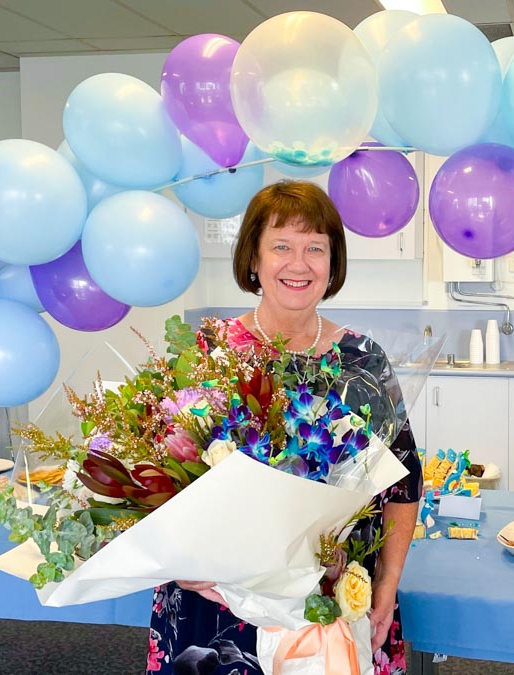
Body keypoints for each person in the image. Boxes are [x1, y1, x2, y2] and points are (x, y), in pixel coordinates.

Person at [148, 181, 421, 675]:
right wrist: (178, 564)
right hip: (219, 603)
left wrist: (387, 583)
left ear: (333, 264)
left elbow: (404, 482)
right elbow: (160, 478)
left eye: (316, 248)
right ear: (253, 258)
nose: (300, 264)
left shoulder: (363, 361)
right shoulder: (209, 355)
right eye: (281, 246)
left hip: (335, 598)